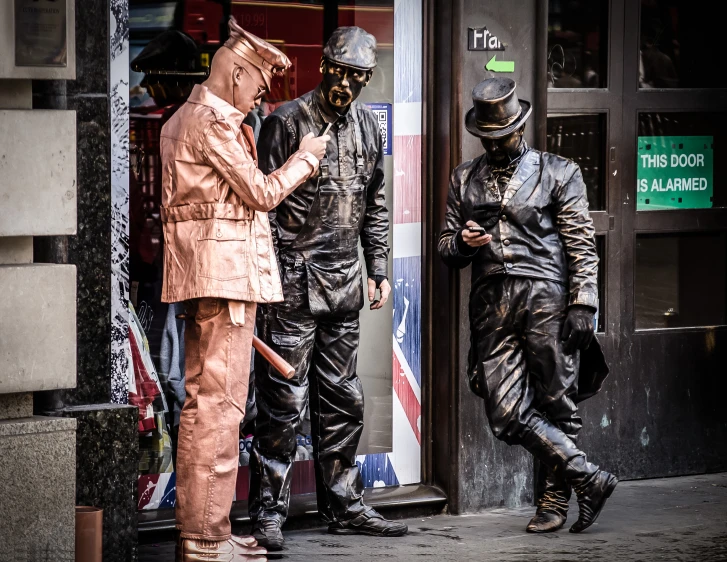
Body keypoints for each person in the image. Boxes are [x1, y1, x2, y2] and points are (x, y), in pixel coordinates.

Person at [160, 16, 329, 561]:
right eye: (258, 84)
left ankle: (205, 532)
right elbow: (259, 192)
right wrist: (305, 159)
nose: (261, 97)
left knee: (208, 404)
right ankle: (206, 540)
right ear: (236, 73)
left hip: (208, 276)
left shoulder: (179, 121)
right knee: (221, 409)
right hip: (226, 278)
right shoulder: (212, 123)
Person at [248, 26, 407, 550]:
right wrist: (266, 281)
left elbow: (374, 204)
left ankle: (343, 503)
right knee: (282, 403)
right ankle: (268, 511)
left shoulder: (367, 129)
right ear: (324, 68)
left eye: (358, 77)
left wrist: (379, 266)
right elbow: (262, 211)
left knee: (343, 398)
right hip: (291, 286)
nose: (347, 85)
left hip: (341, 286)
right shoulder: (284, 122)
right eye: (340, 74)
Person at [438, 77, 615, 534]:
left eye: (504, 136)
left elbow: (580, 240)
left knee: (558, 401)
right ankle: (588, 477)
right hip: (491, 303)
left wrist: (584, 302)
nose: (496, 146)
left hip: (547, 296)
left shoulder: (559, 171)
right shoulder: (464, 177)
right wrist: (461, 241)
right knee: (506, 411)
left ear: (520, 127)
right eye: (488, 139)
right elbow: (445, 247)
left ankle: (553, 502)